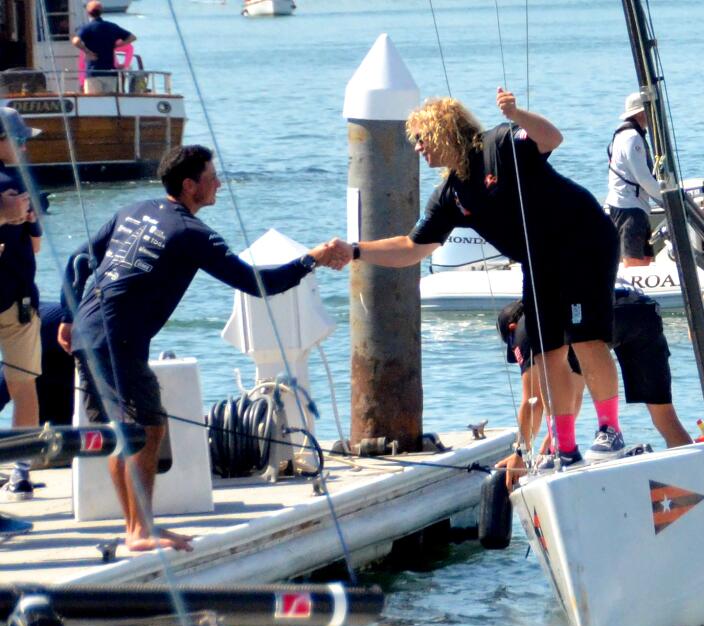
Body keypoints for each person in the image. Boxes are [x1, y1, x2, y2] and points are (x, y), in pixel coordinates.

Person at [57, 145, 346, 551]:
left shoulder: (134, 210)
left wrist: (69, 314)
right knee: (147, 429)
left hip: (90, 330)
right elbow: (257, 284)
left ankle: (134, 528)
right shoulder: (192, 235)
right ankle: (140, 532)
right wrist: (310, 259)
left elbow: (78, 260)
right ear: (189, 185)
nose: (219, 183)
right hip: (118, 337)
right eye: (212, 177)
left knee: (122, 432)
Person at [333, 89, 626, 469]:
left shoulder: (500, 143)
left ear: (443, 131)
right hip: (538, 261)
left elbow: (552, 138)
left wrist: (517, 113)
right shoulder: (450, 194)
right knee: (547, 351)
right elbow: (412, 246)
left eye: (422, 138)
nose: (418, 148)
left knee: (584, 339)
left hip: (582, 241)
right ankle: (564, 447)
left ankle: (610, 430)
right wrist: (356, 251)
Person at [494, 282, 691, 486]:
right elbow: (574, 394)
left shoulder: (524, 328)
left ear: (511, 328)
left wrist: (520, 452)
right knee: (666, 418)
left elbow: (533, 401)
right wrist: (551, 445)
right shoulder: (560, 321)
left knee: (587, 342)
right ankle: (696, 480)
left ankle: (609, 433)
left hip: (607, 315)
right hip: (645, 310)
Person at [0, 107, 44, 500]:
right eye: (20, 139)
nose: (25, 145)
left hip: (16, 302)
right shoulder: (21, 182)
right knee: (23, 385)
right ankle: (21, 469)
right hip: (17, 302)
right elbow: (35, 245)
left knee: (21, 384)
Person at [605, 92, 662, 266]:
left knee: (645, 259)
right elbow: (643, 177)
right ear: (640, 112)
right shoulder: (632, 137)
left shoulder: (628, 134)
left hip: (635, 205)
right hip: (629, 207)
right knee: (634, 261)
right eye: (649, 109)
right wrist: (665, 200)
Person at [71, 1, 135, 95]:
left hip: (93, 72)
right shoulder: (112, 26)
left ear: (88, 12)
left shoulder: (86, 28)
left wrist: (87, 51)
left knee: (93, 102)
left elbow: (75, 41)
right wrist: (117, 45)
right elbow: (132, 37)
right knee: (110, 101)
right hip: (110, 72)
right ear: (101, 11)